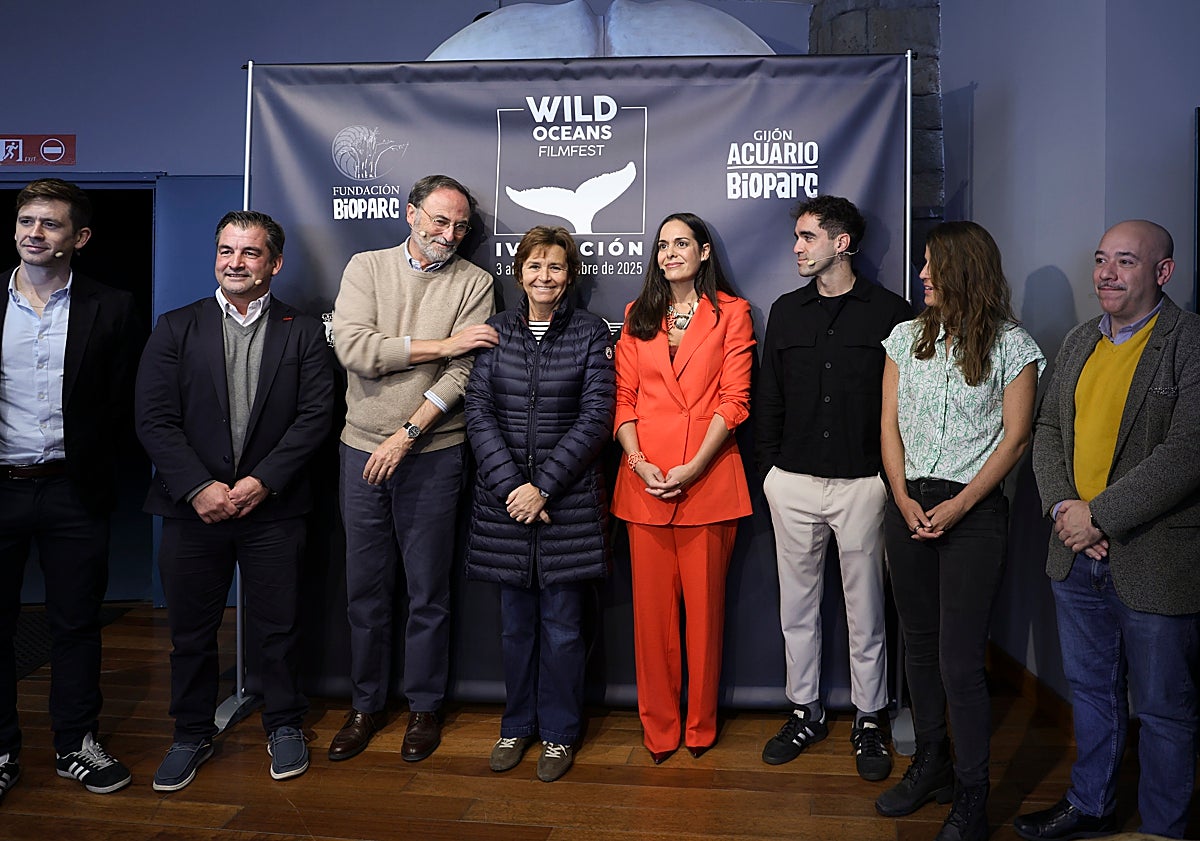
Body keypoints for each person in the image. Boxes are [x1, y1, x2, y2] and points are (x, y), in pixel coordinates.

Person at [1014, 220, 1200, 841]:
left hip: (1155, 558)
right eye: (1100, 260)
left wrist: (1100, 516)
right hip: (1075, 554)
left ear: (1162, 272)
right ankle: (1091, 806)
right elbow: (1046, 431)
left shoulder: (1190, 341)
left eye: (1125, 261)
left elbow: (1187, 452)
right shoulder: (1078, 341)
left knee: (1164, 708)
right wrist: (1064, 508)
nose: (1106, 274)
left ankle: (1162, 828)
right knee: (1092, 694)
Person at [135, 210, 334, 790]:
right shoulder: (176, 326)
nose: (235, 262)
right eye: (226, 250)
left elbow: (316, 416)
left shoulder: (302, 331)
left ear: (275, 263)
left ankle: (285, 723)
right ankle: (191, 733)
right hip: (192, 510)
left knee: (279, 627)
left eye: (250, 252)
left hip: (273, 510)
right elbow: (154, 418)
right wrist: (199, 487)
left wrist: (263, 480)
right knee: (191, 634)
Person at [876, 221, 1043, 841]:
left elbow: (1016, 439)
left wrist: (962, 504)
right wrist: (900, 497)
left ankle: (973, 794)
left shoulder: (1013, 346)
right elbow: (888, 426)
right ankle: (933, 764)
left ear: (965, 270)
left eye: (932, 265)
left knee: (959, 659)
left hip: (973, 514)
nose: (922, 275)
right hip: (907, 506)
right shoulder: (904, 338)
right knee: (918, 646)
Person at [330, 174, 498, 763]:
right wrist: (442, 345)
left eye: (459, 227)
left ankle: (424, 707)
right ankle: (365, 705)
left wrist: (407, 434)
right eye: (439, 221)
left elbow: (465, 373)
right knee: (365, 590)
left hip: (432, 452)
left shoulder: (475, 282)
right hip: (358, 449)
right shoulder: (366, 267)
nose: (448, 235)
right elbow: (355, 350)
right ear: (411, 214)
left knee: (428, 592)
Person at [756, 196, 911, 778]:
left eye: (807, 237)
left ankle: (869, 718)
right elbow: (769, 395)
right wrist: (770, 474)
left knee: (867, 609)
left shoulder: (892, 314)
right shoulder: (786, 311)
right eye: (797, 237)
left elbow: (904, 408)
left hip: (864, 485)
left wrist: (888, 481)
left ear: (841, 243)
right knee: (796, 608)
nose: (797, 248)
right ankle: (805, 710)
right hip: (791, 483)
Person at [0, 179, 141, 801]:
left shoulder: (113, 306)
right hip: (1, 488)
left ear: (79, 237)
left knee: (76, 624)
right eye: (26, 220)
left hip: (72, 491)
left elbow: (124, 402)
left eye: (50, 223)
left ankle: (75, 744)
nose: (34, 233)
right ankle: (1, 749)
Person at [464, 226, 615, 783]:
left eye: (555, 267)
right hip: (505, 507)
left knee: (564, 629)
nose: (544, 276)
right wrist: (513, 487)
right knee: (514, 631)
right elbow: (478, 411)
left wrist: (543, 488)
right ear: (519, 273)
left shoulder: (590, 332)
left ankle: (559, 733)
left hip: (565, 506)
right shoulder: (497, 330)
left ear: (569, 276)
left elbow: (597, 416)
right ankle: (516, 726)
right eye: (534, 266)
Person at [611, 212, 755, 763]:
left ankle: (700, 725)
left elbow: (735, 400)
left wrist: (694, 467)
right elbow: (623, 398)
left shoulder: (732, 314)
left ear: (703, 252)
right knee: (652, 624)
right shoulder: (637, 314)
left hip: (708, 481)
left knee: (705, 617)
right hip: (643, 483)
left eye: (681, 244)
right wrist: (637, 461)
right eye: (662, 245)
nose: (670, 253)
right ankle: (659, 728)